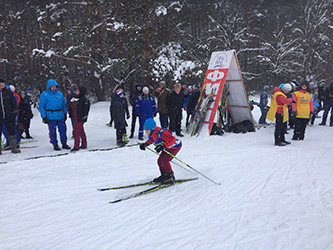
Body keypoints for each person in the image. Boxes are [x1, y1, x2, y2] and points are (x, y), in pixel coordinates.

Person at [139, 118, 182, 184]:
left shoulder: (162, 132)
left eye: (147, 130)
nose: (146, 132)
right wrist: (145, 144)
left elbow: (172, 139)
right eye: (145, 130)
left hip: (175, 146)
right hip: (168, 146)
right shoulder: (152, 133)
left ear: (152, 128)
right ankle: (164, 175)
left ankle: (170, 176)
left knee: (165, 160)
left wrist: (163, 146)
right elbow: (152, 139)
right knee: (160, 161)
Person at [39, 79, 71, 151]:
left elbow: (63, 104)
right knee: (52, 131)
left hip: (60, 115)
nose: (53, 88)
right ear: (49, 87)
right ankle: (55, 144)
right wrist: (43, 116)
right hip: (50, 116)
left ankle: (64, 143)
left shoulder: (59, 94)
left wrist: (65, 113)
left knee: (63, 130)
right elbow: (41, 106)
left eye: (55, 86)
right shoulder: (44, 95)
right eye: (52, 86)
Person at [0, 78, 21, 154]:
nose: (1, 84)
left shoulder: (8, 92)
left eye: (2, 83)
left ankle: (14, 147)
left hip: (9, 115)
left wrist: (14, 113)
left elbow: (13, 104)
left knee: (11, 131)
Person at [68, 86, 90, 151]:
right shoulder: (74, 98)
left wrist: (84, 117)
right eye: (76, 91)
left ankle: (76, 146)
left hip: (80, 118)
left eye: (77, 91)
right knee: (81, 131)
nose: (76, 92)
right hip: (75, 117)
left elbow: (86, 110)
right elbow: (71, 107)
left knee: (76, 132)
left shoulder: (83, 99)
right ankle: (84, 144)